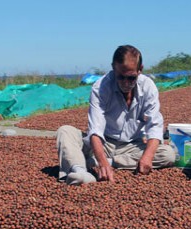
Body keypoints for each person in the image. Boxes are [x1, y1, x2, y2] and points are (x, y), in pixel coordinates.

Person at [56, 45, 175, 185]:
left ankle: (103, 162)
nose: (125, 83)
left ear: (140, 69)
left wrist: (147, 157)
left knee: (168, 154)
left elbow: (154, 126)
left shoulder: (148, 87)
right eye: (121, 77)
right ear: (113, 67)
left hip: (132, 145)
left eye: (131, 78)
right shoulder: (101, 87)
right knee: (65, 131)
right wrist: (102, 162)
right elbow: (95, 130)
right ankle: (80, 170)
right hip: (103, 143)